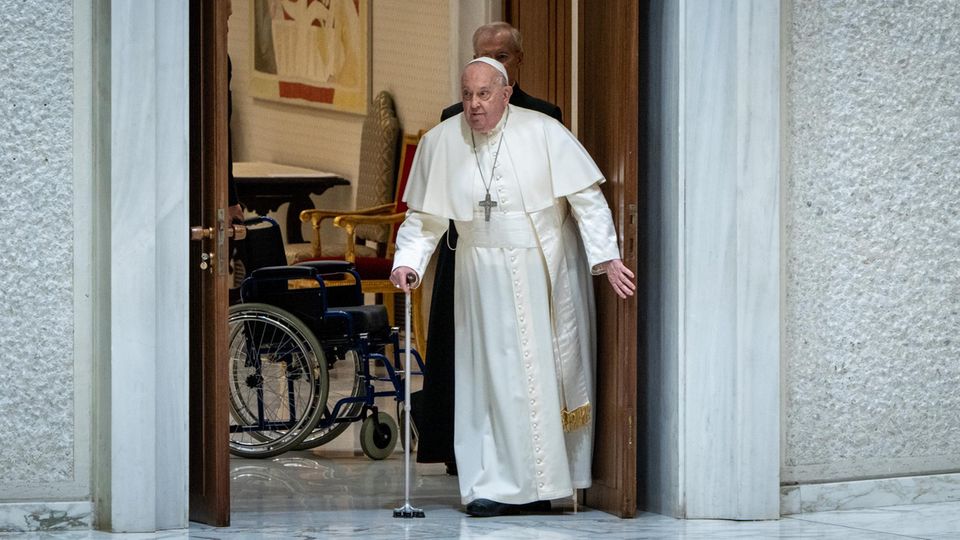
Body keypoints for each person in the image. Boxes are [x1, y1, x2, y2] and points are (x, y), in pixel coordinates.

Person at [391, 58, 635, 517]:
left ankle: (541, 486)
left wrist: (607, 255)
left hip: (532, 269)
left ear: (505, 94)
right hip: (474, 274)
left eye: (484, 94)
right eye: (467, 95)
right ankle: (488, 487)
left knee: (531, 378)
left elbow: (586, 198)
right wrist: (408, 263)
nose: (474, 105)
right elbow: (423, 219)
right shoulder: (441, 141)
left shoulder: (543, 131)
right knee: (482, 381)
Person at [413, 22, 563, 476]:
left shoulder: (544, 116)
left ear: (517, 62)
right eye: (483, 54)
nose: (492, 61)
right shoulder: (451, 120)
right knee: (461, 356)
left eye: (502, 55)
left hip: (522, 259)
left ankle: (527, 461)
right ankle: (460, 451)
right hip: (467, 253)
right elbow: (434, 197)